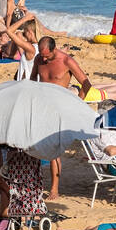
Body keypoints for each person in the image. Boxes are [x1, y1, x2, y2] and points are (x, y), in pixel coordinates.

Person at [31, 35, 91, 200]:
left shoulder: (66, 61)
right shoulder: (39, 59)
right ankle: (34, 183)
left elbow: (86, 83)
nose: (43, 58)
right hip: (42, 107)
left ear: (53, 49)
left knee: (54, 149)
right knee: (35, 145)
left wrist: (77, 102)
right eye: (41, 55)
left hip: (60, 110)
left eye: (46, 55)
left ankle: (54, 189)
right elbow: (32, 81)